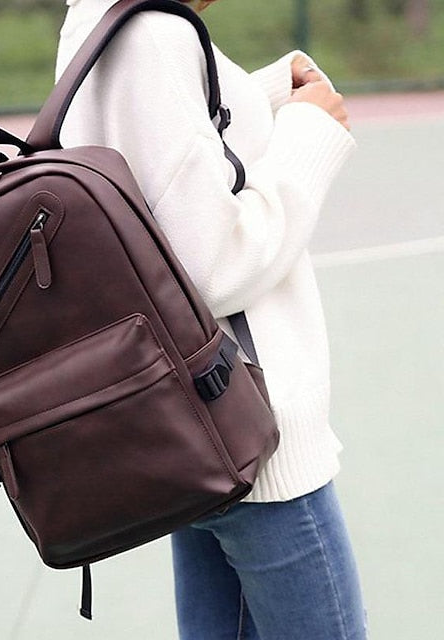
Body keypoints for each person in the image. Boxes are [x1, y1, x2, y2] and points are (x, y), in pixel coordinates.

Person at [55, 0, 367, 638]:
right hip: (254, 430)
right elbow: (213, 265)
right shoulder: (156, 33)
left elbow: (149, 157)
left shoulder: (101, 16)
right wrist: (309, 136)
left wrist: (263, 97)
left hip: (195, 421)